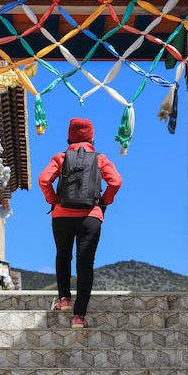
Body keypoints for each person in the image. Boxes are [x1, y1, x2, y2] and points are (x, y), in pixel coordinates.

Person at [39, 117, 122, 328]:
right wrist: (104, 202)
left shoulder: (60, 157)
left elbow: (44, 180)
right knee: (85, 264)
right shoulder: (100, 159)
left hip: (62, 216)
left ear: (69, 137)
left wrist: (54, 200)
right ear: (92, 138)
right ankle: (79, 317)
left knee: (63, 256)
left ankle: (64, 299)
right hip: (90, 217)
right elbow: (116, 181)